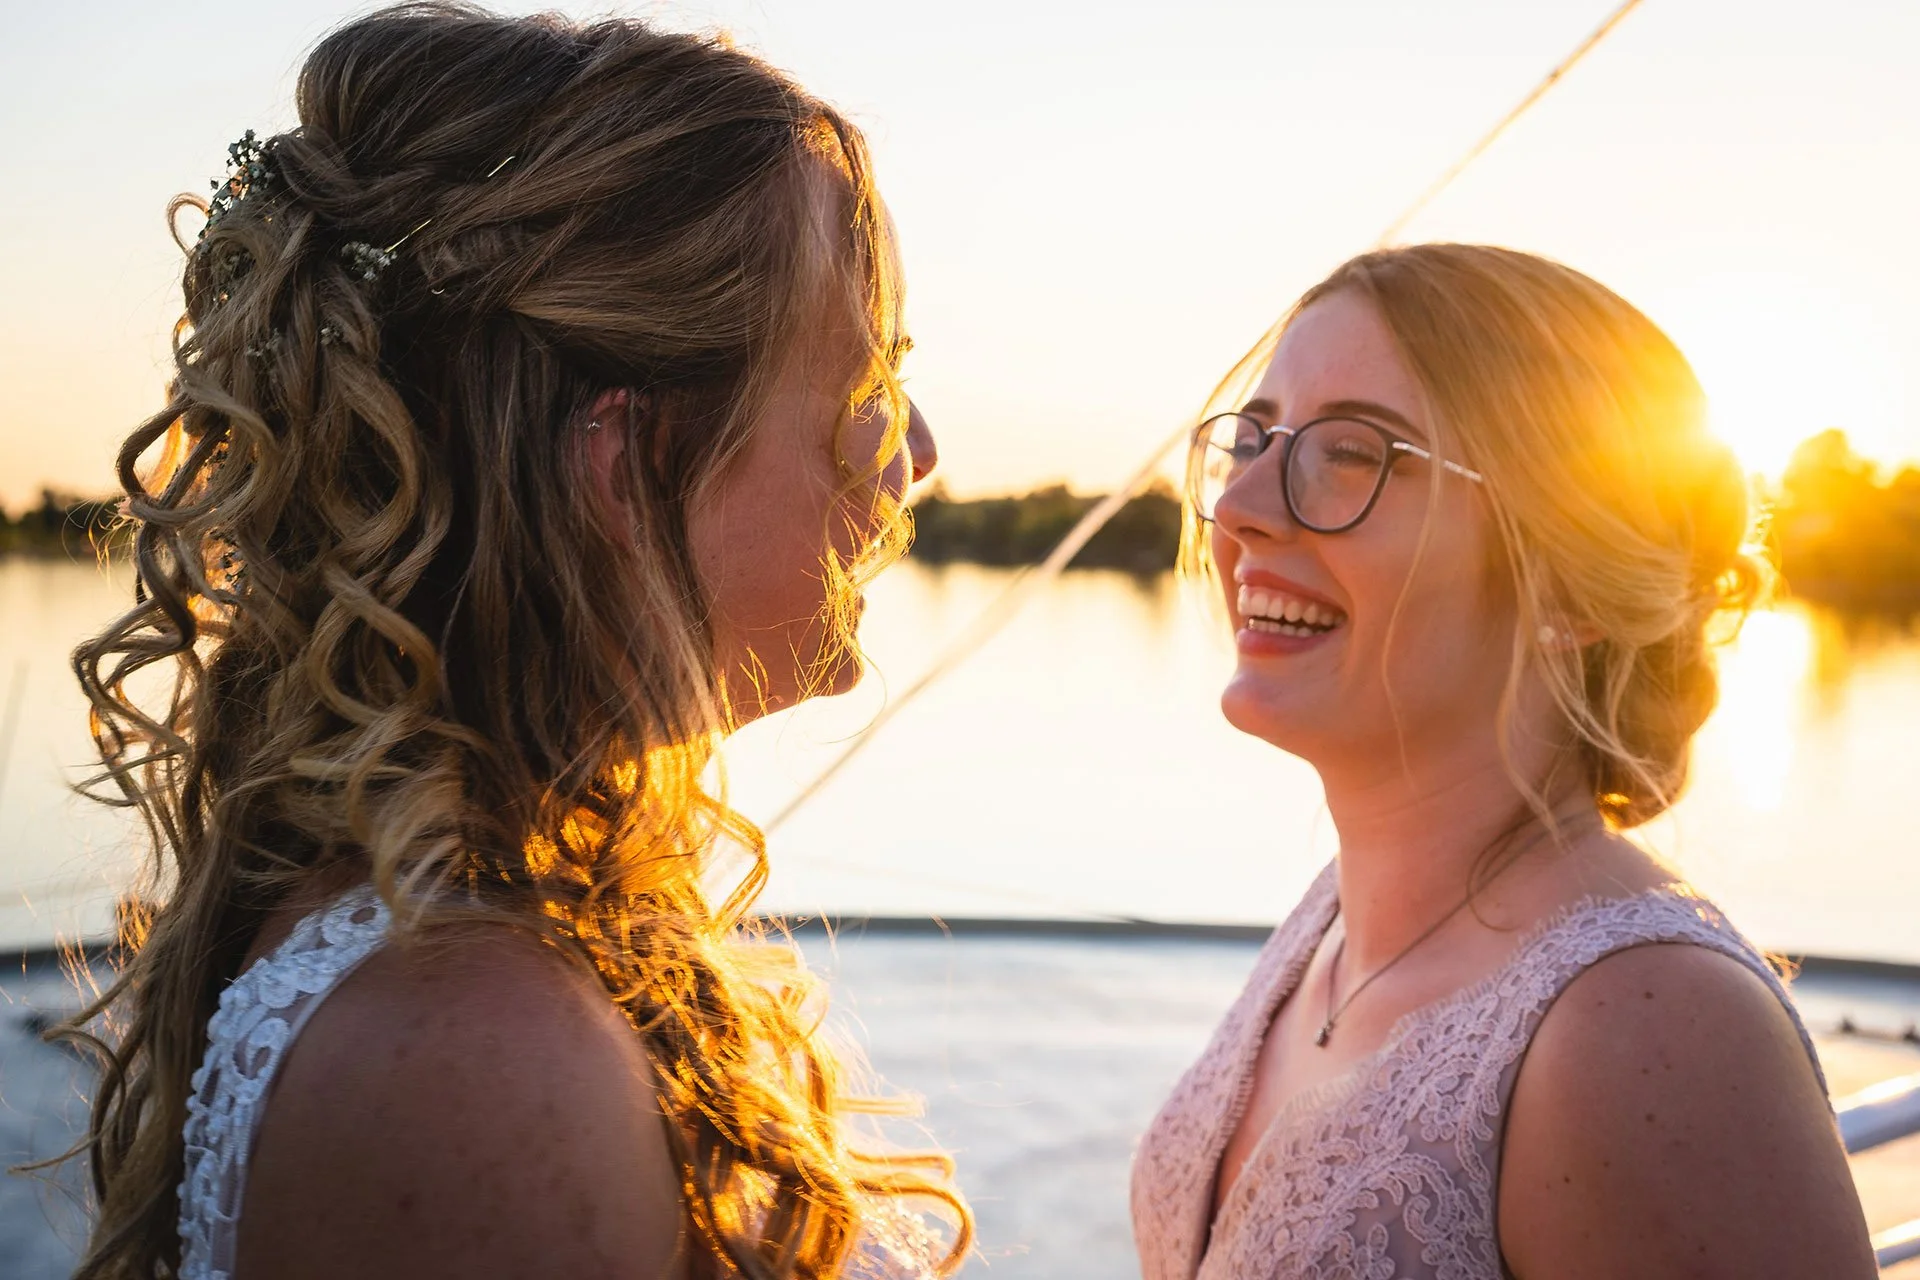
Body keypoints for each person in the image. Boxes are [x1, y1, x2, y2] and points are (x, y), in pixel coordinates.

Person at [59, 5, 967, 1278]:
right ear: (626, 457)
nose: (915, 453)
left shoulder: (477, 926)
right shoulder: (476, 1063)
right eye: (867, 374)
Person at [1130, 243, 1875, 1279]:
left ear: (1570, 583)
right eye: (1251, 440)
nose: (1245, 504)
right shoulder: (1334, 926)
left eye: (1351, 453)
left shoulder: (1649, 1029)